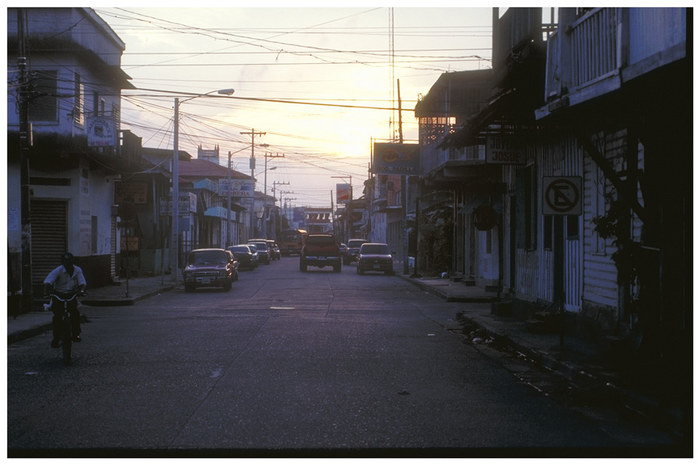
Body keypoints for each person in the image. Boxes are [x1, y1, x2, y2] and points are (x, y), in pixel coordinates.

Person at [43, 252, 86, 348]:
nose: (68, 265)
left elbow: (82, 282)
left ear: (72, 262)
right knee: (57, 316)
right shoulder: (58, 271)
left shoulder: (77, 270)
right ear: (63, 263)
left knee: (75, 313)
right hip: (59, 295)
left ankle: (75, 334)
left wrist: (81, 290)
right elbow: (48, 281)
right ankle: (56, 338)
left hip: (71, 294)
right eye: (66, 262)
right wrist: (47, 292)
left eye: (70, 262)